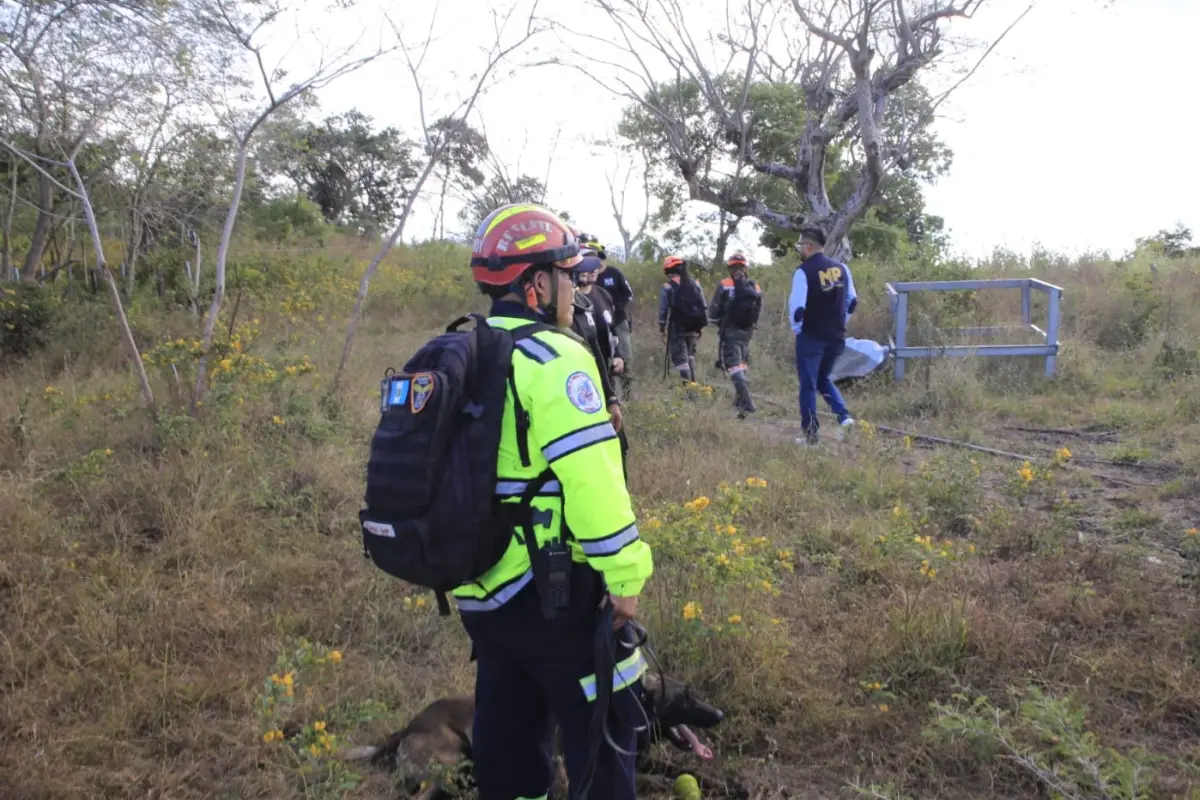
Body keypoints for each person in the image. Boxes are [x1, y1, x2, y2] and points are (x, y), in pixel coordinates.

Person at [457, 204, 654, 799]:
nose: (577, 286)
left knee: (509, 740)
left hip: (478, 590)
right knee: (604, 735)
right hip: (554, 593)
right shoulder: (554, 358)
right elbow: (594, 482)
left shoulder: (465, 351)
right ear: (538, 284)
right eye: (569, 274)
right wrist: (625, 579)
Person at [789, 226, 858, 445]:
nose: (799, 249)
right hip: (836, 337)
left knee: (808, 385)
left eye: (800, 245)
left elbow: (797, 310)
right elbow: (852, 301)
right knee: (823, 379)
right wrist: (840, 323)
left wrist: (800, 332)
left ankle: (811, 436)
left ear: (808, 246)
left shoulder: (804, 271)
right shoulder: (842, 269)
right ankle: (844, 418)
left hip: (812, 337)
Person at [570, 249, 630, 482]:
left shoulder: (603, 295)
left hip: (606, 378)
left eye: (595, 265)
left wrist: (620, 356)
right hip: (583, 382)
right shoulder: (565, 304)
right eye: (586, 264)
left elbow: (614, 330)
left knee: (618, 441)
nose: (593, 269)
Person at [707, 251, 761, 418]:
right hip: (748, 332)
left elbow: (714, 310)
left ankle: (748, 402)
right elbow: (758, 310)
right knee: (742, 365)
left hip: (730, 331)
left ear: (730, 268)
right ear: (745, 268)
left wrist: (717, 322)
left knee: (733, 366)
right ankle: (740, 406)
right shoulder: (755, 287)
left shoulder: (724, 284)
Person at [583, 236, 635, 401]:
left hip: (616, 320)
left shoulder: (613, 274)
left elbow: (628, 294)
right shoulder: (577, 290)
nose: (592, 268)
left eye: (595, 259)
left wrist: (616, 308)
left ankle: (626, 393)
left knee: (624, 357)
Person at [657, 255, 707, 384]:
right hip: (694, 326)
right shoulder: (695, 283)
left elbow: (663, 309)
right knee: (690, 355)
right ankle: (694, 383)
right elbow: (703, 305)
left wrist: (662, 328)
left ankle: (689, 389)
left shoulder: (667, 287)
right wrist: (700, 326)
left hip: (677, 327)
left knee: (681, 359)